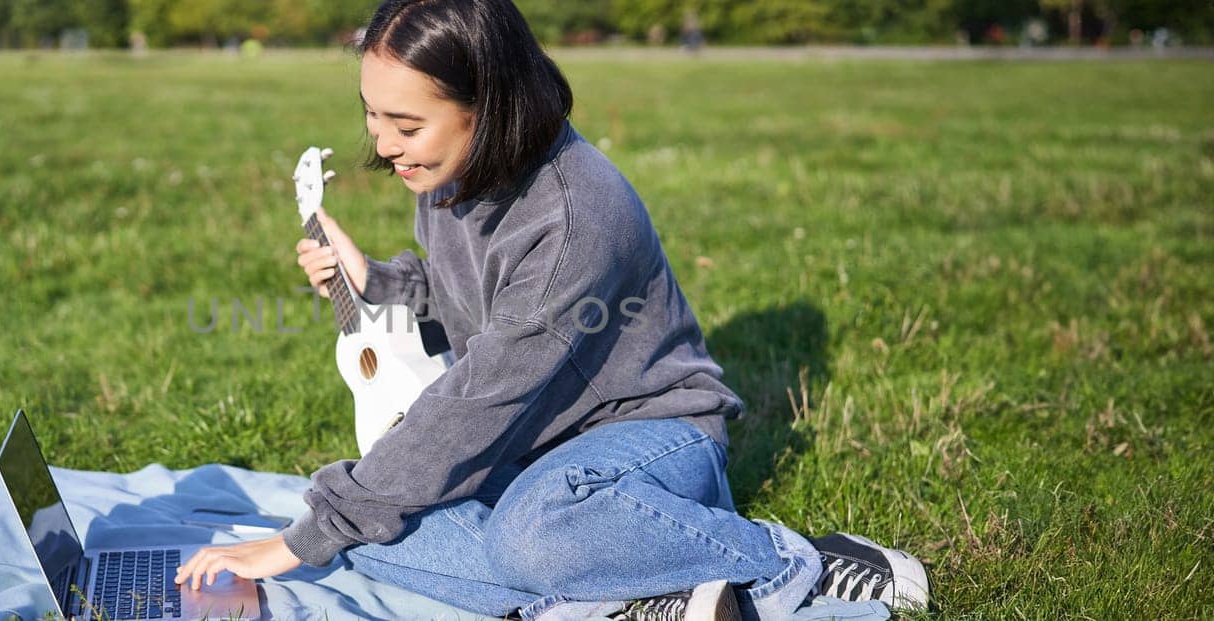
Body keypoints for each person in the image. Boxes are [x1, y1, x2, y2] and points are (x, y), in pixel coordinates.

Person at [174, 1, 930, 619]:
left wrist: (311, 534)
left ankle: (792, 558)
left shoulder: (574, 217)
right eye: (373, 116)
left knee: (493, 530)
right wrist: (379, 280)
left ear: (489, 106)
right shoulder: (449, 176)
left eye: (407, 126)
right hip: (533, 445)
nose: (384, 144)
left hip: (647, 440)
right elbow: (472, 301)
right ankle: (642, 591)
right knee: (371, 523)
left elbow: (483, 392)